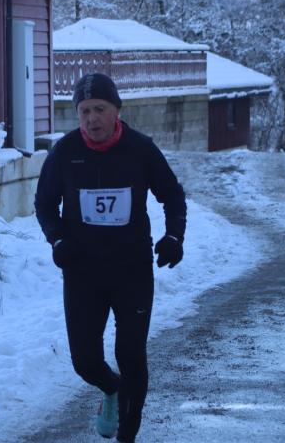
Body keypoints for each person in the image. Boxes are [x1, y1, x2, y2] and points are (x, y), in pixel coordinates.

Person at [34, 72, 187, 443]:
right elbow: (44, 204)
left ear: (117, 109)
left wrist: (173, 237)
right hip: (83, 272)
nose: (92, 119)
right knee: (85, 362)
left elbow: (172, 195)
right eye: (84, 111)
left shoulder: (140, 149)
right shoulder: (66, 152)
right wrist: (57, 240)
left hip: (132, 270)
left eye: (99, 109)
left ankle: (127, 435)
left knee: (131, 355)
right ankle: (114, 389)